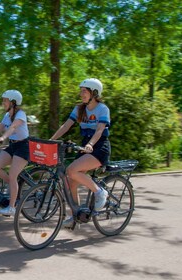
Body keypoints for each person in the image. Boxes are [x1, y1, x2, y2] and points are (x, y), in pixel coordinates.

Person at [50, 78, 110, 228]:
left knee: (71, 170)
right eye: (81, 90)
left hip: (99, 147)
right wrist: (51, 140)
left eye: (85, 91)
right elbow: (66, 125)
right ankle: (75, 216)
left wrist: (90, 144)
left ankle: (99, 192)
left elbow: (100, 130)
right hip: (85, 147)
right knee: (70, 184)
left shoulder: (103, 109)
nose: (81, 93)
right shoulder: (79, 109)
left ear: (94, 93)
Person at [0, 90, 29, 216]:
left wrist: (3, 137)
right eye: (3, 100)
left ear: (13, 102)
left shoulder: (21, 114)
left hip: (23, 147)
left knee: (13, 175)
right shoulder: (7, 115)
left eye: (5, 100)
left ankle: (11, 207)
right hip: (13, 146)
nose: (3, 103)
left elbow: (13, 127)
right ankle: (13, 184)